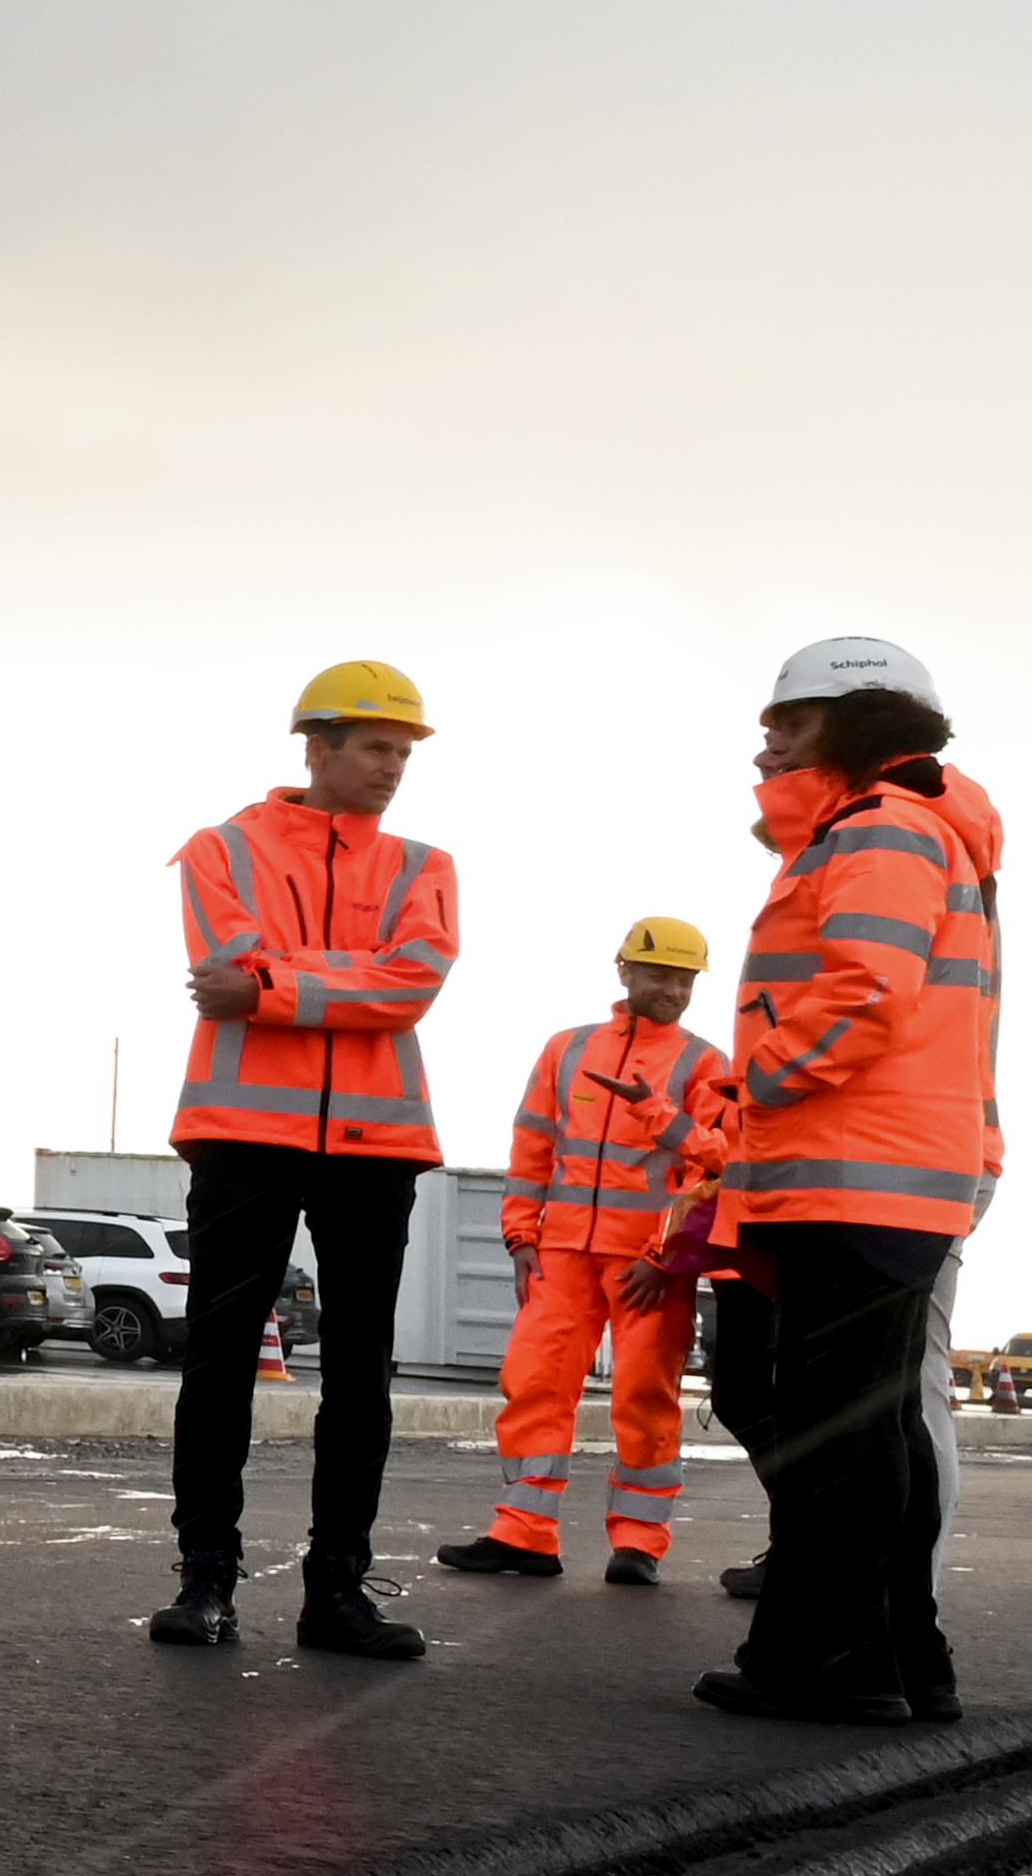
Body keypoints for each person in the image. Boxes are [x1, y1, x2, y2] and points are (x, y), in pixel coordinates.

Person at [700, 636, 1001, 1725]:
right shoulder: (922, 831)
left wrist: (759, 1082)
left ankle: (827, 1663)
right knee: (874, 1432)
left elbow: (866, 988)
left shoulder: (880, 830)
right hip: (892, 1172)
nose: (768, 735)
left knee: (836, 1436)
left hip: (854, 1172)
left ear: (857, 721)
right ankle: (897, 1658)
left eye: (791, 717)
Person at [147, 658, 456, 1660]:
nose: (392, 767)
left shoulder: (424, 867)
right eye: (374, 747)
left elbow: (411, 985)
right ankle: (205, 1584)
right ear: (315, 747)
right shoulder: (220, 849)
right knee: (220, 1357)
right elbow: (226, 965)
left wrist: (277, 988)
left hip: (375, 1142)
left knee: (360, 1369)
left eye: (403, 752)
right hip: (243, 1134)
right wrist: (335, 982)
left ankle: (337, 1595)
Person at [441, 918, 734, 1583]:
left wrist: (663, 1257)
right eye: (659, 973)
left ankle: (639, 1542)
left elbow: (716, 1166)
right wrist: (519, 1232)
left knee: (643, 1396)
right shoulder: (565, 1049)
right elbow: (532, 1147)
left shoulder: (702, 1062)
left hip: (647, 1266)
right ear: (622, 968)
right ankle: (522, 1533)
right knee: (534, 1386)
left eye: (685, 978)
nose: (672, 988)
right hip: (562, 1254)